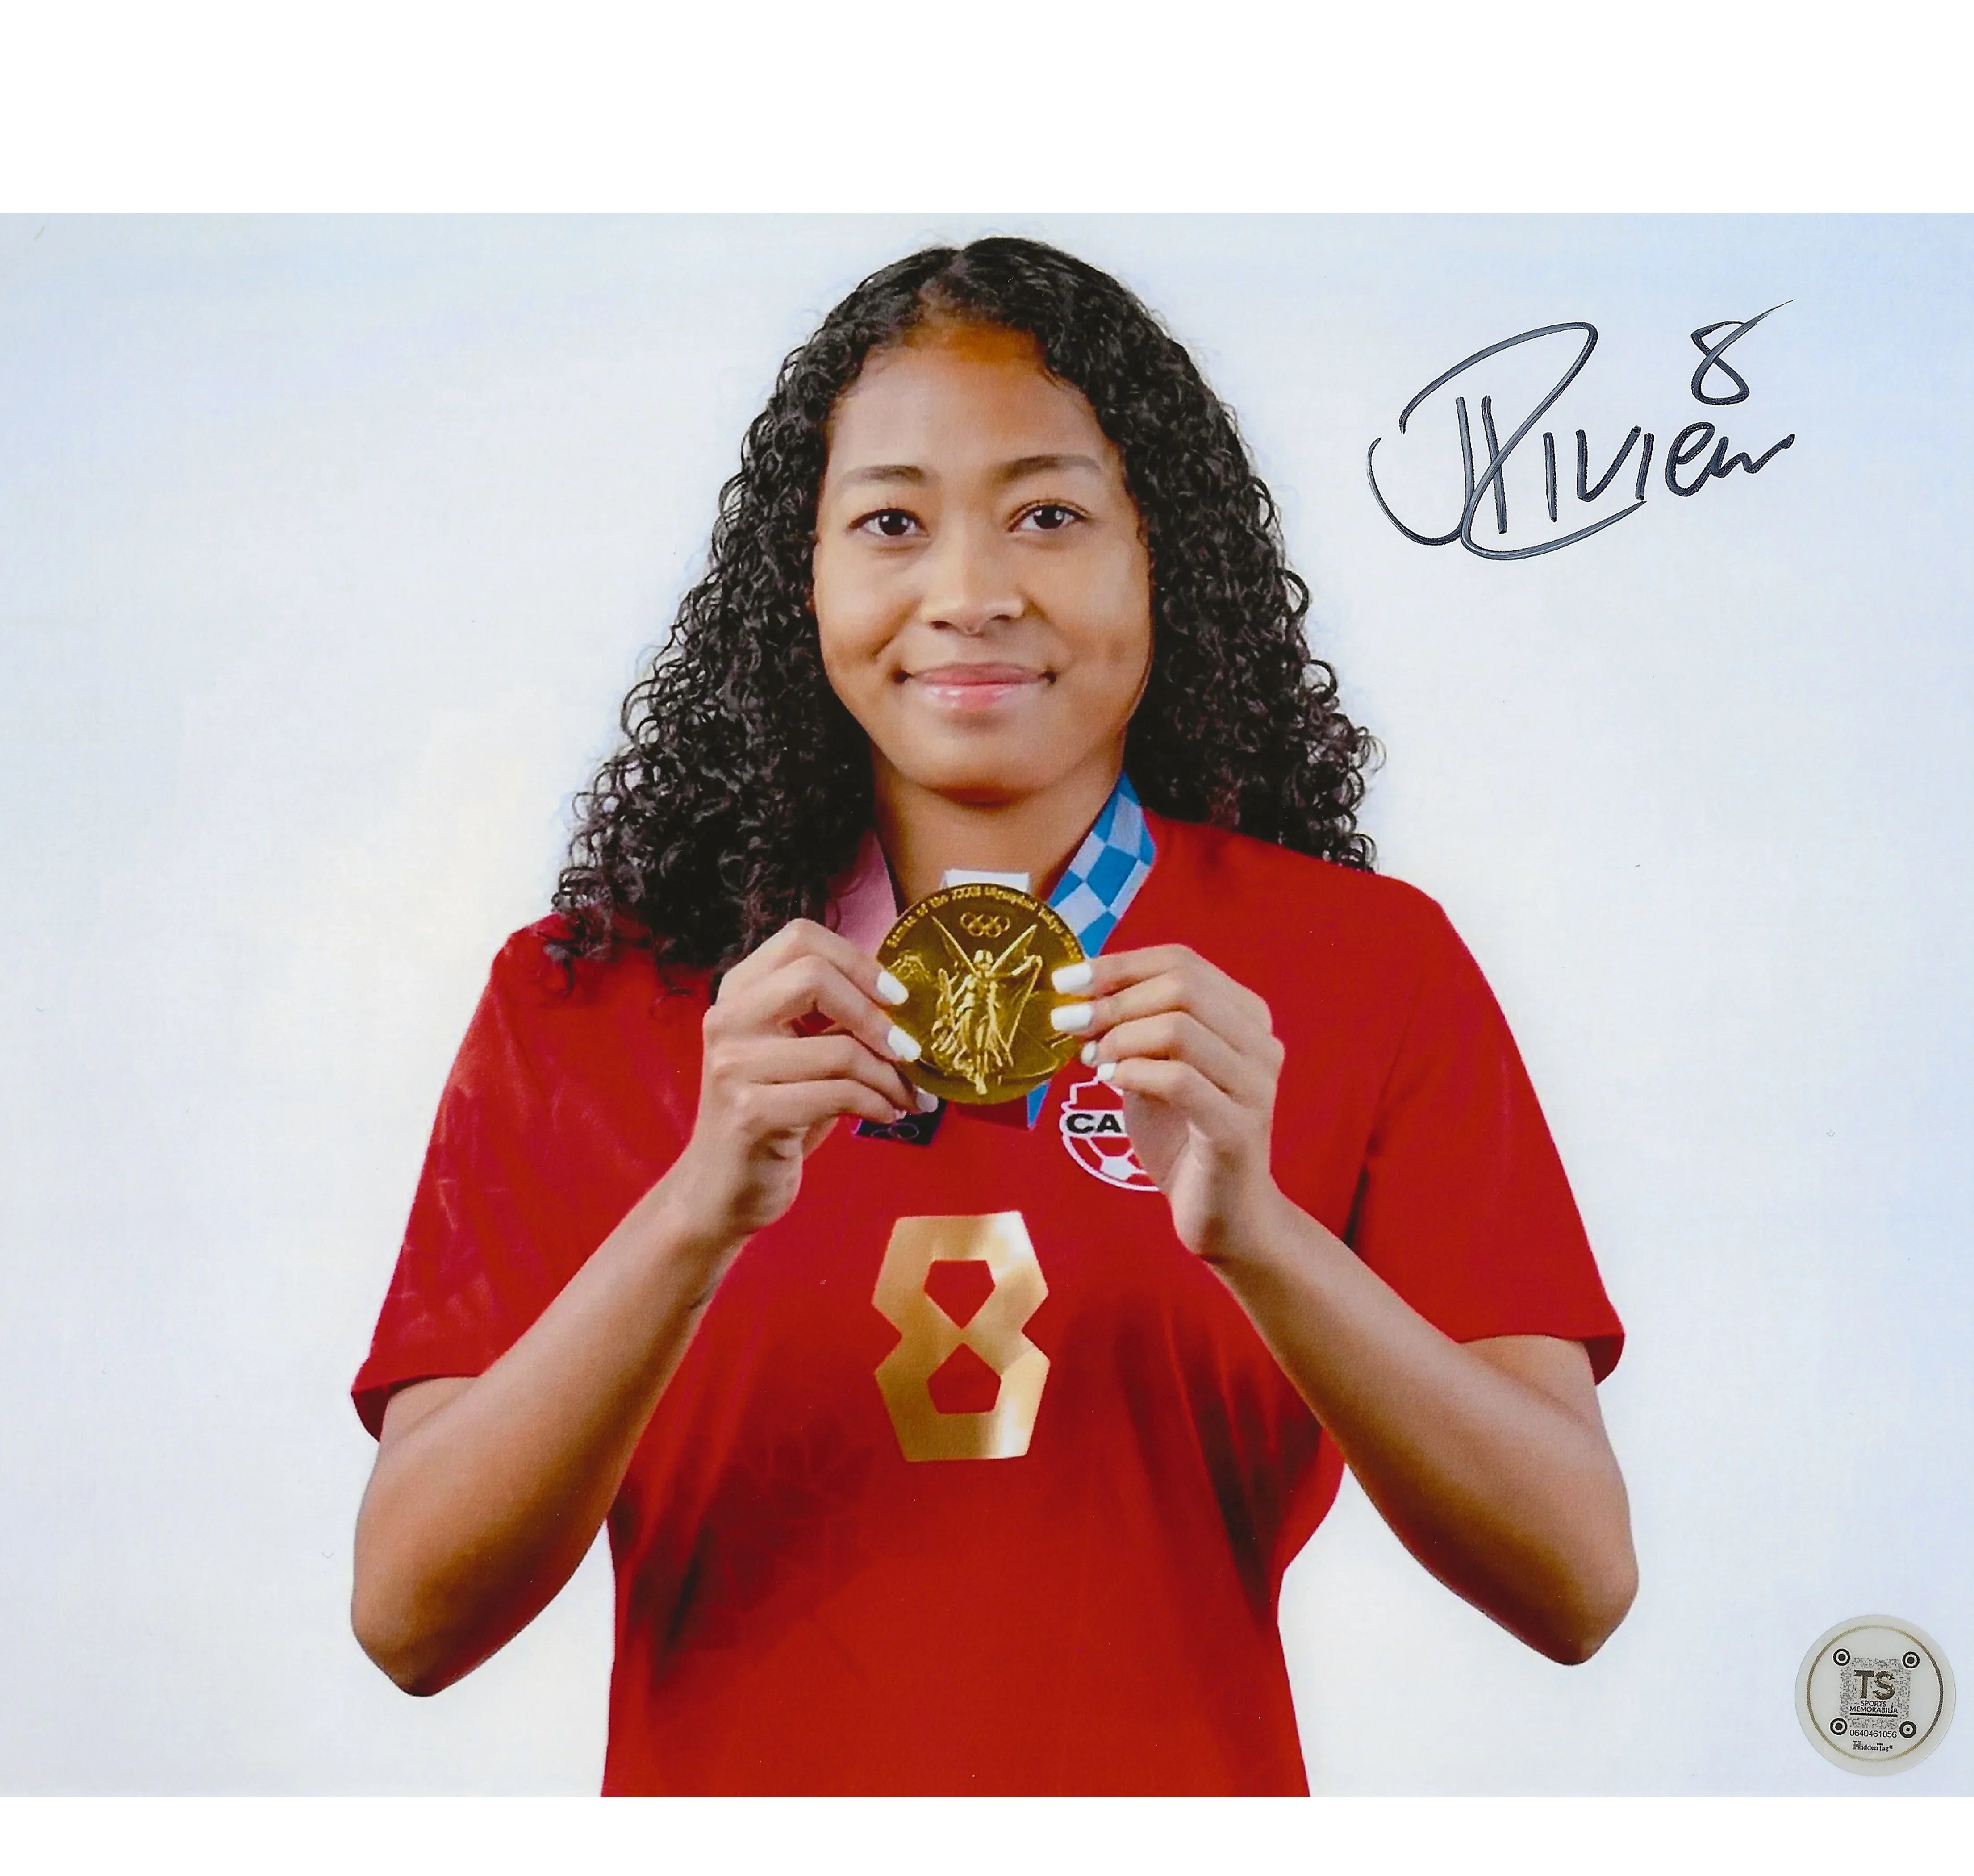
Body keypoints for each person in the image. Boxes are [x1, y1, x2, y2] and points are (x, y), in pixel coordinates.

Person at [350, 237, 1636, 1794]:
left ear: (1162, 556)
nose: (968, 592)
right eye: (890, 521)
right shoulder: (587, 993)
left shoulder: (1369, 970)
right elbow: (408, 1614)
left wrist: (1257, 1234)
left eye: (1048, 514)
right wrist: (697, 1207)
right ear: (803, 572)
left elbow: (1576, 1578)